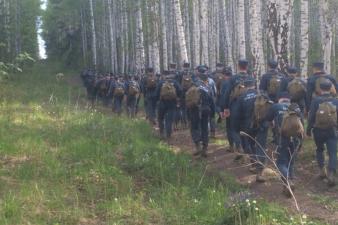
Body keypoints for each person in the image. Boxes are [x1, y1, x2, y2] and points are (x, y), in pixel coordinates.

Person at [307, 80, 338, 187]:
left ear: (320, 89)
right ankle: (332, 173)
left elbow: (311, 117)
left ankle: (322, 170)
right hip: (332, 131)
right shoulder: (335, 101)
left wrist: (308, 130)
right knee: (332, 153)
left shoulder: (316, 101)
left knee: (319, 149)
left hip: (318, 130)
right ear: (330, 88)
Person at [223, 59, 254, 161]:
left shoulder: (233, 78)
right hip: (248, 106)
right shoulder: (251, 78)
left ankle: (239, 146)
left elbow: (227, 93)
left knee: (234, 128)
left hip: (235, 106)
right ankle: (248, 149)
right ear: (247, 66)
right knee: (246, 128)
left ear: (238, 66)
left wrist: (225, 108)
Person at [188, 65, 215, 157]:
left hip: (195, 110)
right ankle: (205, 149)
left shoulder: (193, 84)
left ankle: (197, 146)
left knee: (194, 127)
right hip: (206, 110)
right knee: (204, 129)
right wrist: (213, 114)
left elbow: (188, 99)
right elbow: (212, 101)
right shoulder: (208, 87)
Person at [237, 77, 258, 168]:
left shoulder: (242, 97)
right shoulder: (261, 94)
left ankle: (253, 162)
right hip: (260, 123)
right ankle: (261, 165)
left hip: (248, 123)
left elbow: (239, 113)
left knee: (250, 142)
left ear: (245, 86)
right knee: (260, 142)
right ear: (254, 85)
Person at [156, 71, 182, 140]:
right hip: (172, 103)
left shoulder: (161, 82)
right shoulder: (175, 82)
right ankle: (168, 134)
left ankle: (161, 132)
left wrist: (157, 100)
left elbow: (156, 93)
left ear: (164, 76)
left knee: (160, 118)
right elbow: (180, 91)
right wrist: (178, 98)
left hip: (162, 103)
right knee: (169, 119)